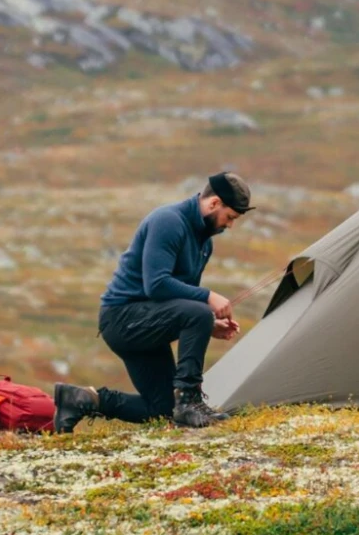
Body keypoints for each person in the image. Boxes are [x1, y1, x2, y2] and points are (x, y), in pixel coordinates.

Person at [55, 169, 251, 431]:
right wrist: (207, 299)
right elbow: (157, 285)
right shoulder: (168, 221)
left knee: (161, 410)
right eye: (230, 217)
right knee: (199, 313)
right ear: (214, 203)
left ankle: (81, 400)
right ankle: (190, 401)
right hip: (122, 319)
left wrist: (206, 325)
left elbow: (178, 298)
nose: (230, 225)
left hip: (146, 323)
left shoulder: (204, 242)